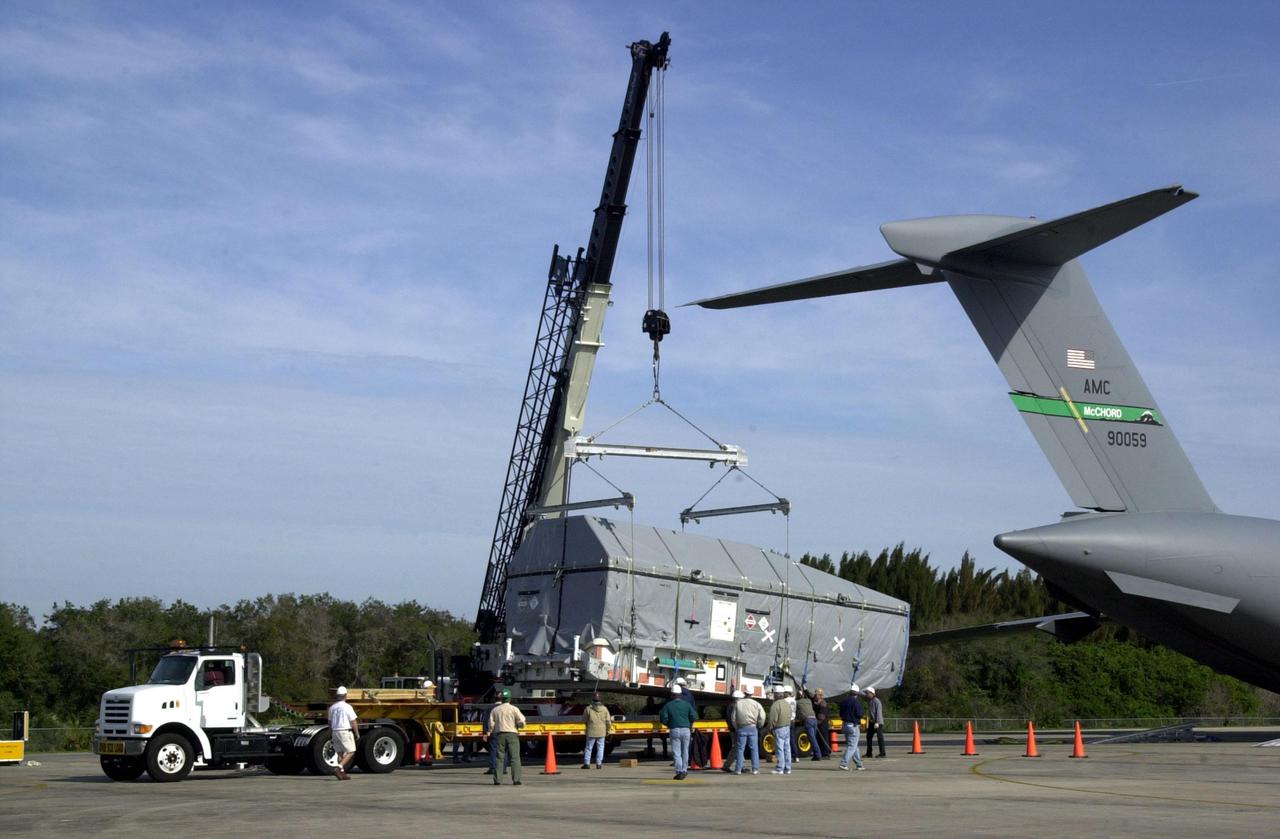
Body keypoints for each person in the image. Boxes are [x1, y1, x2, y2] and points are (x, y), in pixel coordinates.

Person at [487, 688, 526, 786]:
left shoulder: (495, 710)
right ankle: (516, 779)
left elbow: (491, 724)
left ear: (501, 698)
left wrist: (489, 732)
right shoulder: (514, 709)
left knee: (499, 758)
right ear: (510, 699)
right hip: (512, 734)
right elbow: (521, 720)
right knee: (515, 758)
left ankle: (498, 780)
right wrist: (520, 725)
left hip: (499, 735)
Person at [659, 684, 697, 780]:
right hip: (686, 730)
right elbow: (694, 716)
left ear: (672, 694)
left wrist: (669, 724)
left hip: (674, 729)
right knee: (685, 751)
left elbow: (663, 718)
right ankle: (684, 770)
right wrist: (689, 723)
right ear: (680, 694)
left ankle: (679, 771)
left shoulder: (668, 705)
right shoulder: (687, 705)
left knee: (676, 752)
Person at [327, 685, 359, 780]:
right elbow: (353, 721)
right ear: (345, 695)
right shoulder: (347, 707)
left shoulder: (332, 707)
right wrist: (356, 733)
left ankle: (342, 774)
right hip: (344, 731)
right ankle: (339, 768)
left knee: (340, 753)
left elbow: (330, 722)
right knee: (351, 751)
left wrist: (330, 733)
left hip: (335, 731)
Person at [730, 689, 765, 775]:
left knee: (740, 749)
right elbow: (762, 716)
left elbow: (733, 718)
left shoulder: (738, 704)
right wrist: (759, 725)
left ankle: (738, 769)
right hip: (753, 727)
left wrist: (737, 727)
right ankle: (755, 769)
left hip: (741, 728)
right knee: (754, 749)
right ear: (752, 694)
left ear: (744, 693)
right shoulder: (757, 704)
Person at [838, 684, 866, 771]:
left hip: (845, 724)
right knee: (852, 746)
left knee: (854, 746)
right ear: (856, 693)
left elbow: (841, 714)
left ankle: (859, 764)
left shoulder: (844, 702)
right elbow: (860, 713)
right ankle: (844, 763)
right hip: (853, 725)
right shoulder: (855, 702)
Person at [767, 685, 794, 775]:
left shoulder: (776, 704)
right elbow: (791, 715)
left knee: (779, 749)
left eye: (774, 693)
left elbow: (772, 718)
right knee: (787, 748)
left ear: (777, 694)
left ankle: (780, 768)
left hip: (779, 728)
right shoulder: (787, 703)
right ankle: (788, 768)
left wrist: (770, 728)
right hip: (787, 727)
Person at [581, 693, 612, 769]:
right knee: (600, 747)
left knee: (589, 747)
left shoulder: (588, 709)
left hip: (591, 731)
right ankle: (599, 764)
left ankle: (587, 764)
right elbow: (608, 721)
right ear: (600, 700)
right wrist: (608, 730)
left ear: (592, 699)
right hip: (601, 731)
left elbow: (584, 720)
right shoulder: (604, 709)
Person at [795, 688, 818, 761]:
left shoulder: (797, 702)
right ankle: (816, 753)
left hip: (808, 720)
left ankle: (817, 755)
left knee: (812, 739)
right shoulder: (809, 701)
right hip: (814, 719)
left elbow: (796, 711)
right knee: (814, 738)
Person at [864, 686, 886, 759]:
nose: (867, 695)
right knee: (868, 737)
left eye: (868, 693)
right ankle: (869, 753)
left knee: (880, 738)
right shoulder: (870, 701)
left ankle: (882, 753)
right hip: (872, 721)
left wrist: (877, 722)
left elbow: (878, 712)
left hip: (877, 722)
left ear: (872, 693)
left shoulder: (876, 701)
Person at [813, 688, 832, 759]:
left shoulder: (823, 703)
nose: (815, 695)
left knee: (824, 738)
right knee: (819, 738)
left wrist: (818, 722)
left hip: (823, 723)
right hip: (819, 723)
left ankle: (826, 753)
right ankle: (822, 752)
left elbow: (822, 715)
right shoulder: (817, 702)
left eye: (816, 694)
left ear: (820, 695)